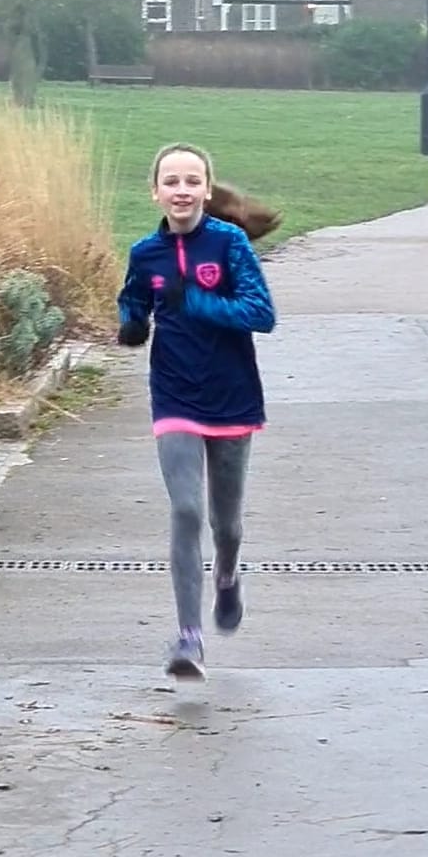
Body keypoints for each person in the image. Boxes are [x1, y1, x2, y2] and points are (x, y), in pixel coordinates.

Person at [117, 143, 276, 681]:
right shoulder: (145, 253)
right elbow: (134, 299)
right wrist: (132, 323)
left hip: (231, 396)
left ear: (207, 190)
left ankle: (227, 576)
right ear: (155, 191)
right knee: (186, 510)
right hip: (175, 394)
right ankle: (188, 638)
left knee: (225, 524)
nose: (181, 190)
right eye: (171, 181)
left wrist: (196, 304)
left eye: (191, 181)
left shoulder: (228, 244)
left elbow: (262, 313)